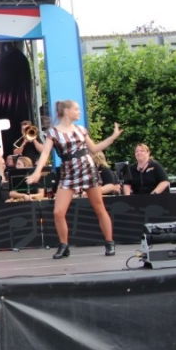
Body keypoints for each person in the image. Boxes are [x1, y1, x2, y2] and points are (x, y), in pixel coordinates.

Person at [27, 100, 123, 258]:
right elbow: (45, 153)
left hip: (87, 168)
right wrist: (37, 172)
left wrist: (112, 137)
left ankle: (109, 242)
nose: (79, 112)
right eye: (76, 109)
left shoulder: (80, 130)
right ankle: (64, 245)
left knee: (99, 207)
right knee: (58, 212)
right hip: (68, 171)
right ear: (66, 111)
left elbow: (94, 149)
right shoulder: (53, 132)